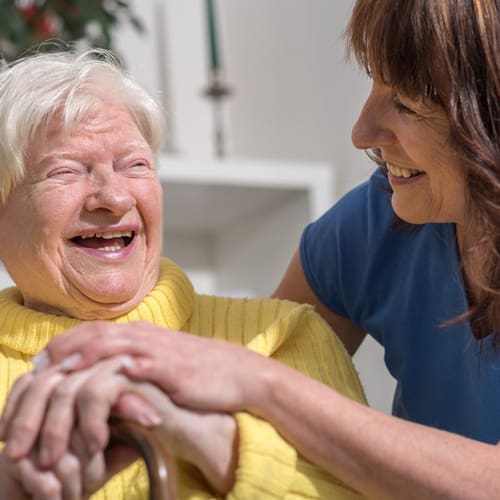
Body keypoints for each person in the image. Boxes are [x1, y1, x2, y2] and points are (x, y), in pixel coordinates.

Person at [3, 0, 500, 497]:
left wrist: (249, 392)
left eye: (408, 102)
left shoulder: (271, 341)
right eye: (65, 172)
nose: (360, 133)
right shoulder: (372, 227)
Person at [0, 47, 368, 499]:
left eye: (134, 165)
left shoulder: (281, 337)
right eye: (67, 171)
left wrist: (214, 445)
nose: (114, 198)